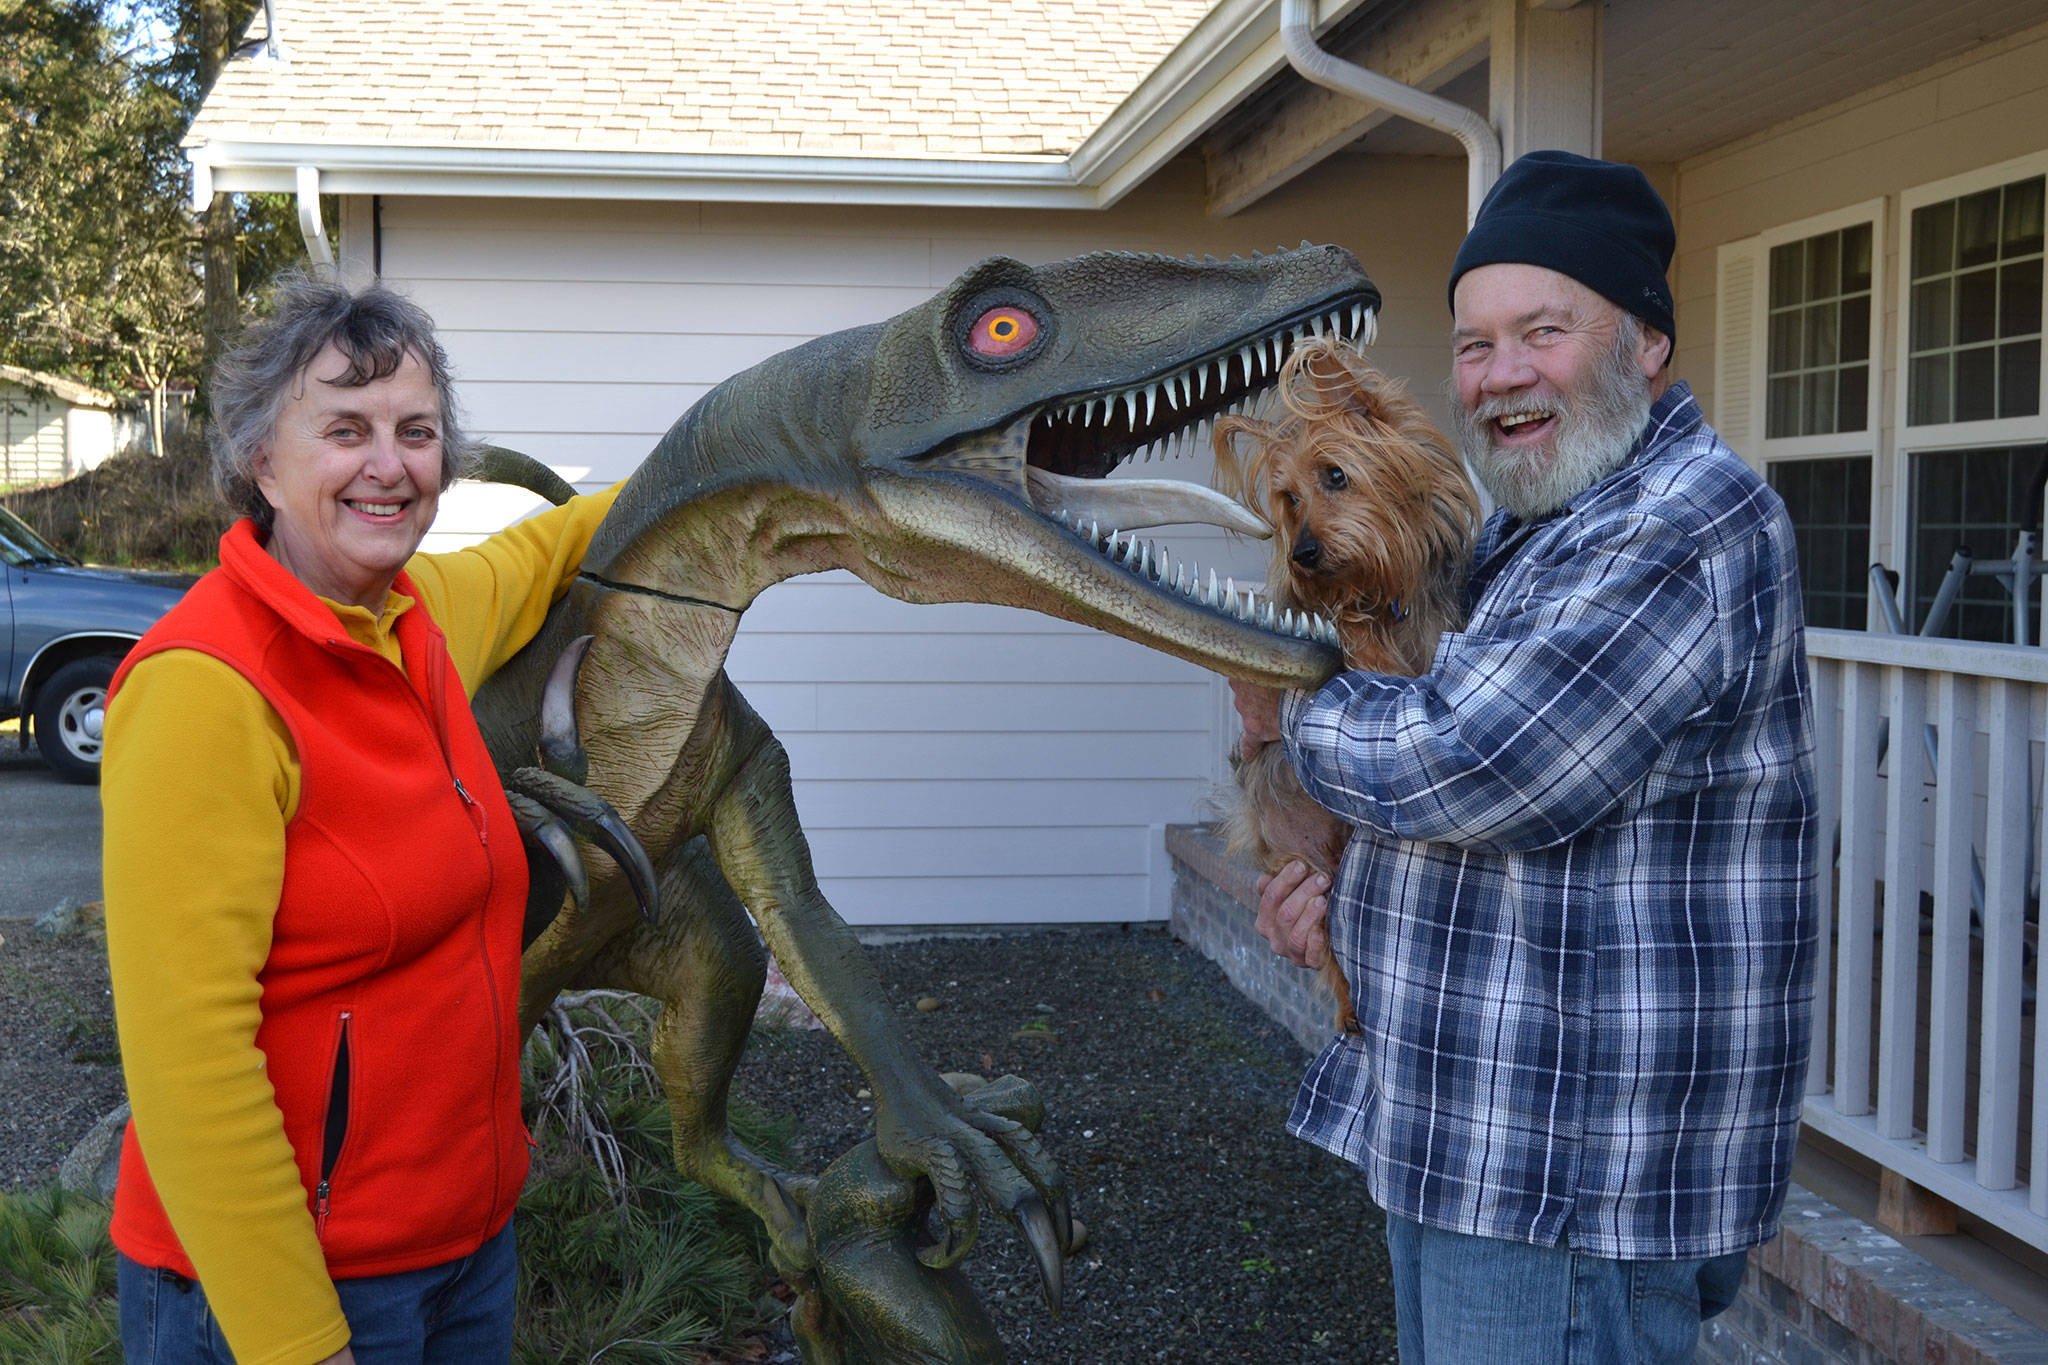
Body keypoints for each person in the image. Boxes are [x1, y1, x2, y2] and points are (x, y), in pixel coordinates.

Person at [1231, 150, 1817, 1362]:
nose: (1499, 377)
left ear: (1643, 343)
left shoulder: (1682, 523)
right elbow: (1441, 805)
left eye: (1539, 333)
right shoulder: (1528, 534)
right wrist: (1340, 904)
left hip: (1559, 1176)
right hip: (1472, 1143)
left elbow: (1476, 764)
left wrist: (1282, 710)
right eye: (1472, 344)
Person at [102, 274, 623, 1364]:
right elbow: (187, 1060)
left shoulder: (419, 616)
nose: (389, 465)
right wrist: (297, 1341)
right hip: (289, 1293)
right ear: (261, 461)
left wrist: (744, 454)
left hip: (462, 1249)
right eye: (345, 429)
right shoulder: (206, 689)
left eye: (416, 432)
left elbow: (551, 546)